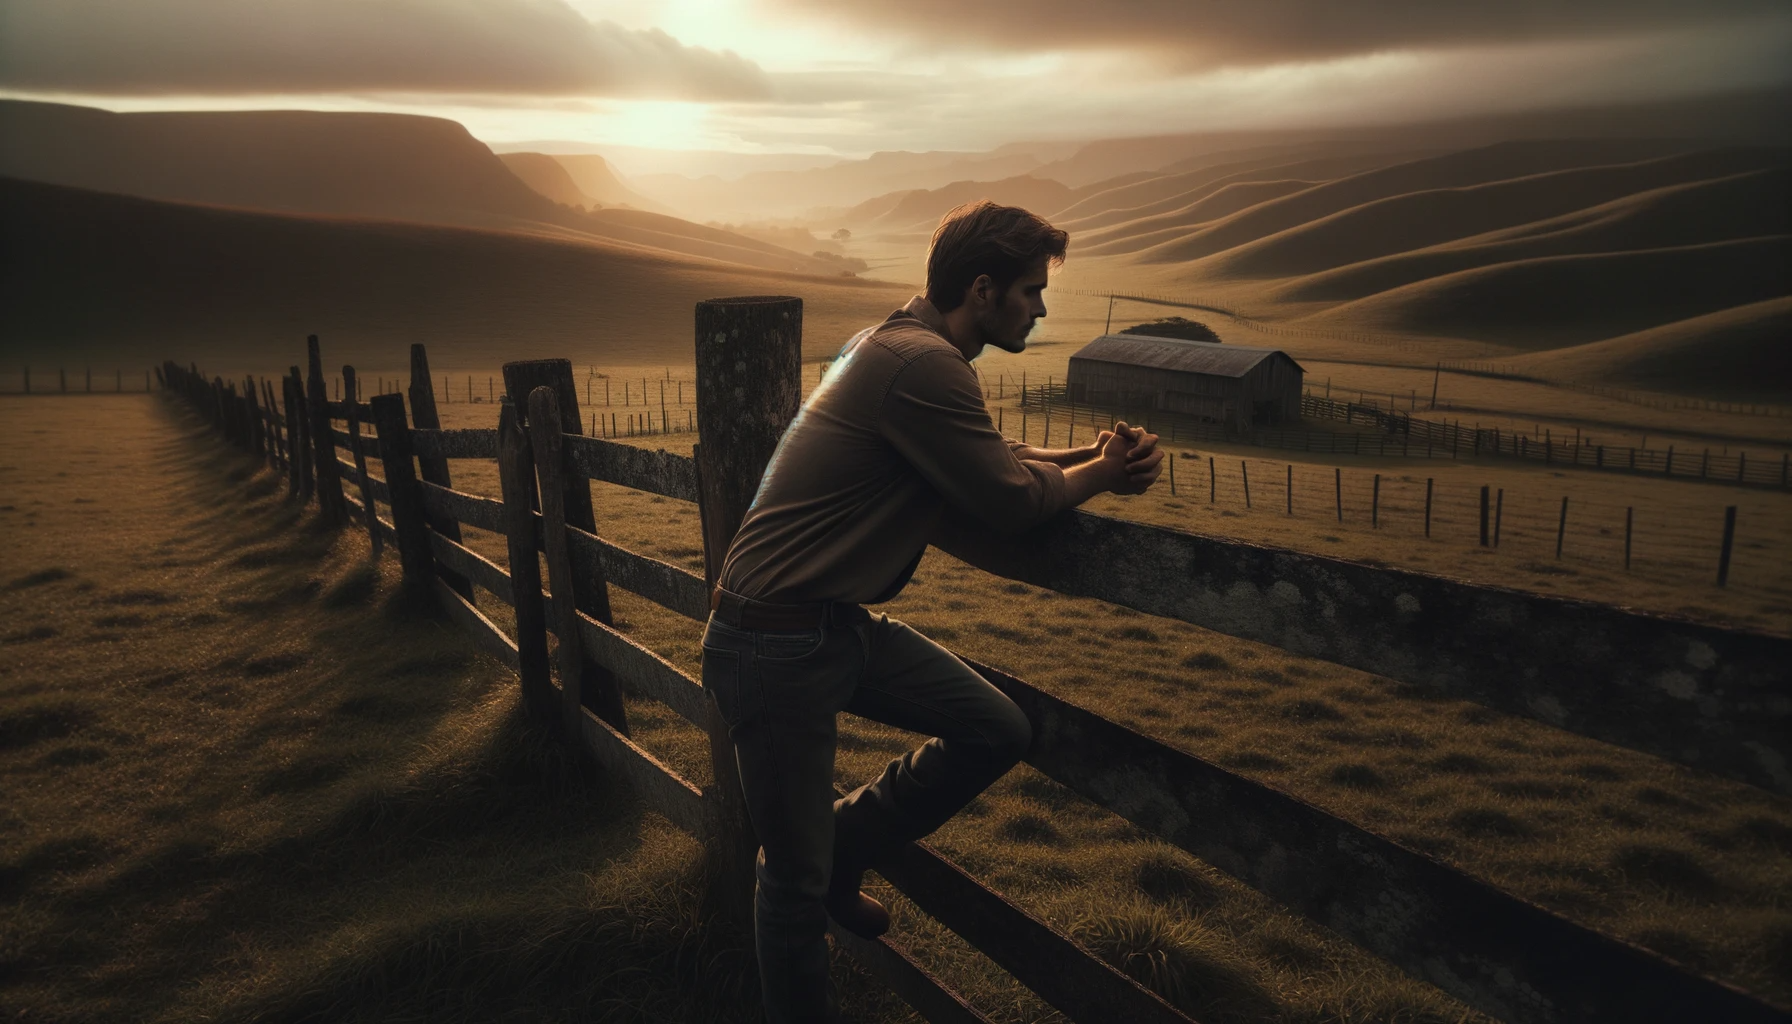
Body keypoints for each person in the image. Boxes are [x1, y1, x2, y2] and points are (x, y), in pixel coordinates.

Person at [700, 200, 1163, 1023]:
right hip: (771, 644)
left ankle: (839, 847)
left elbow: (991, 455)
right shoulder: (923, 365)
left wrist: (1094, 456)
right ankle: (821, 873)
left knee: (995, 727)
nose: (1042, 307)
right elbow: (1013, 500)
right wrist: (1104, 476)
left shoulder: (895, 346)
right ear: (982, 290)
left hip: (823, 626)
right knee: (791, 886)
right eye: (1030, 291)